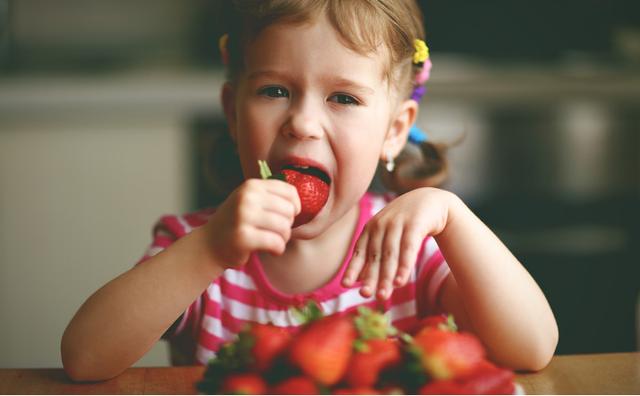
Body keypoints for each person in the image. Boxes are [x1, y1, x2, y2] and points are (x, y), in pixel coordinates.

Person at [61, 0, 558, 381]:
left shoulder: (410, 251)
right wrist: (209, 248)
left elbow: (532, 348)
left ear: (394, 129)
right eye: (275, 90)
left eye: (343, 97)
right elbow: (85, 359)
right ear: (233, 112)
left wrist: (454, 217)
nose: (302, 123)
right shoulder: (197, 245)